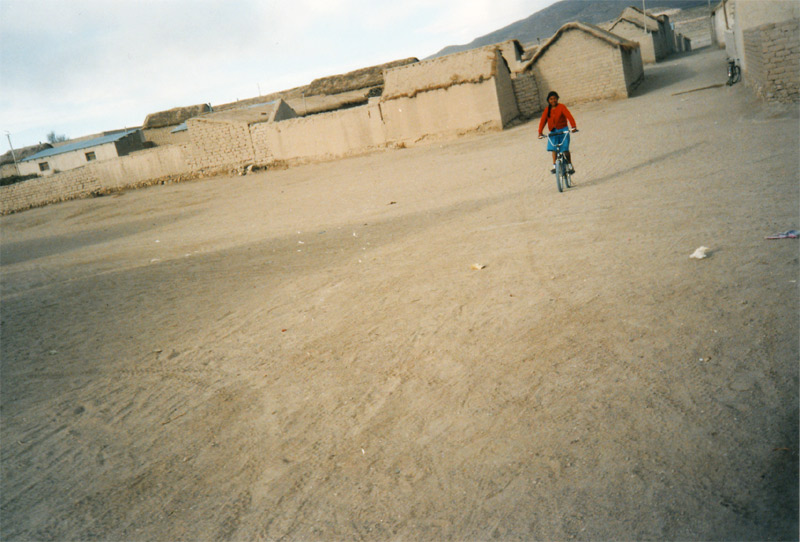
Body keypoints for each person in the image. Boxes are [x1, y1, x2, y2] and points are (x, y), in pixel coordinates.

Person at [537, 91, 578, 174]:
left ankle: (570, 165)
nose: (553, 101)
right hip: (553, 131)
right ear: (548, 100)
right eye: (551, 99)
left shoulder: (561, 107)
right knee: (554, 149)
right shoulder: (547, 110)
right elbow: (543, 121)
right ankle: (555, 166)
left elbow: (569, 116)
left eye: (555, 98)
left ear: (557, 99)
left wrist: (573, 127)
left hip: (563, 130)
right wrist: (540, 132)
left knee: (565, 149)